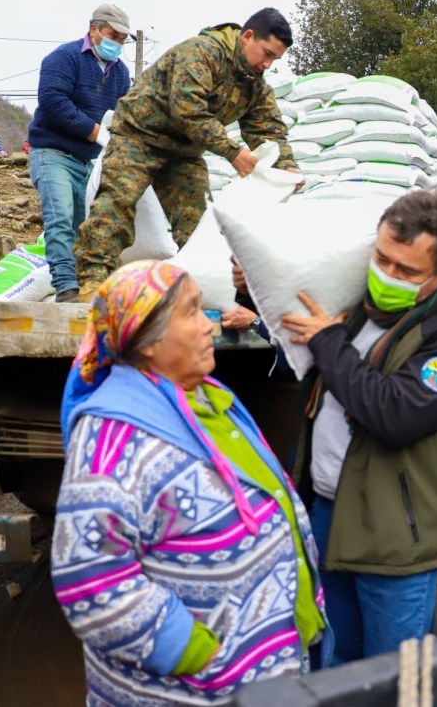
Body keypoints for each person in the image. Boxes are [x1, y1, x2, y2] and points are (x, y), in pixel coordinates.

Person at [51, 260, 329, 706]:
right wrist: (195, 653)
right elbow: (90, 579)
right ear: (145, 341)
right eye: (191, 312)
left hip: (265, 681)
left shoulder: (208, 399)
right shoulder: (113, 438)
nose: (208, 325)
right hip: (197, 689)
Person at [279, 189, 437, 664]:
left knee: (396, 673)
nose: (387, 275)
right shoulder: (358, 300)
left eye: (407, 271)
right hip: (327, 510)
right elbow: (305, 351)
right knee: (334, 663)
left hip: (395, 530)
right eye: (382, 259)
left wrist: (329, 342)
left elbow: (394, 414)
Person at [74, 7, 303, 303]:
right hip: (139, 135)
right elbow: (188, 109)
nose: (268, 64)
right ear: (248, 37)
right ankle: (93, 283)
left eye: (275, 59)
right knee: (117, 201)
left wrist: (287, 167)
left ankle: (199, 291)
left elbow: (268, 130)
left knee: (196, 222)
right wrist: (232, 152)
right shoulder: (201, 52)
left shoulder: (253, 85)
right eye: (267, 53)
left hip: (183, 151)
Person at [27, 3, 132, 303]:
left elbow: (124, 114)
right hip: (53, 153)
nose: (117, 44)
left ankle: (87, 287)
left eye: (122, 39)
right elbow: (53, 100)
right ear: (93, 29)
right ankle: (66, 289)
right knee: (60, 217)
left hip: (90, 161)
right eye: (112, 35)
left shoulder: (121, 74)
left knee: (84, 227)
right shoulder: (64, 58)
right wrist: (95, 131)